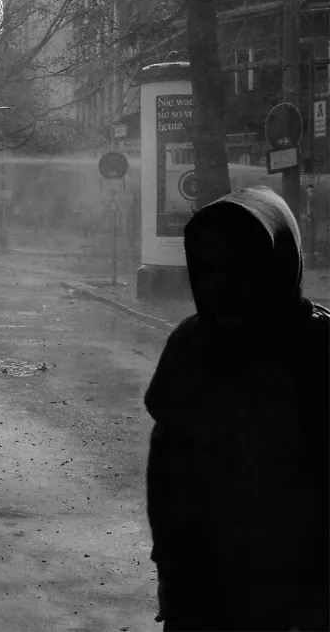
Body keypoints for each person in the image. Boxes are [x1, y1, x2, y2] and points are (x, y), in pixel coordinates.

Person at [145, 186, 328, 631]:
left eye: (239, 269)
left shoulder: (319, 350)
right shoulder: (191, 344)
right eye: (205, 269)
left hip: (294, 597)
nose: (218, 286)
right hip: (200, 591)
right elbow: (167, 471)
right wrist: (170, 570)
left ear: (277, 265)